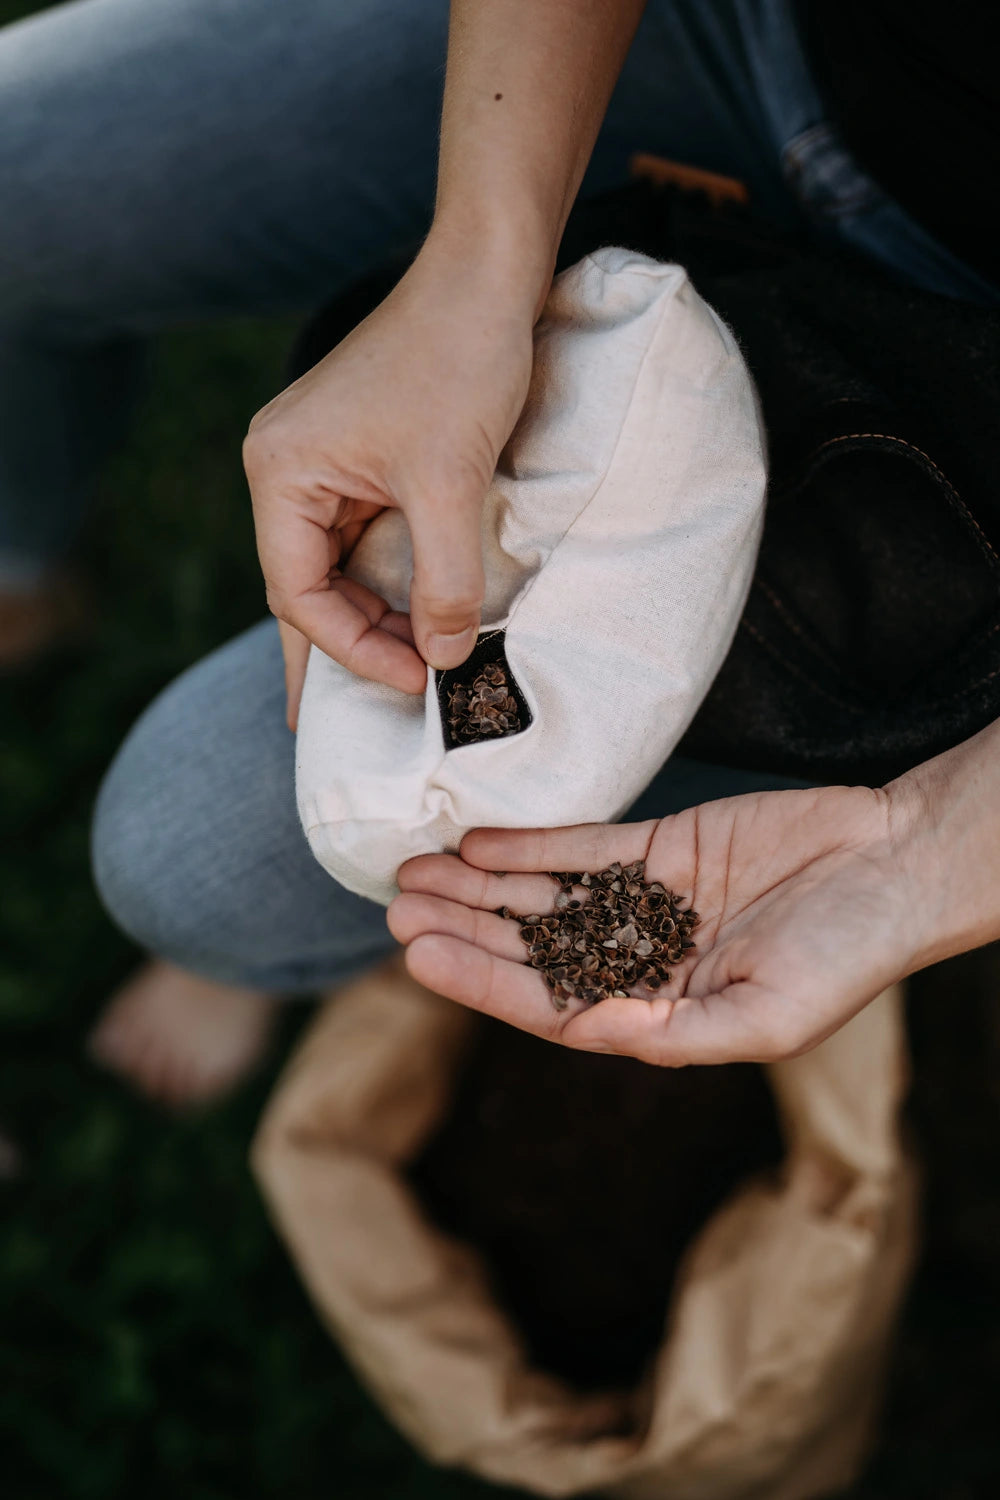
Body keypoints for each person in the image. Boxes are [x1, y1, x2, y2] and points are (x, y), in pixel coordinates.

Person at [3, 0, 995, 1100]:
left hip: (958, 419)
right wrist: (478, 258)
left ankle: (305, 952)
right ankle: (21, 562)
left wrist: (932, 847)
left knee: (193, 853)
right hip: (743, 31)